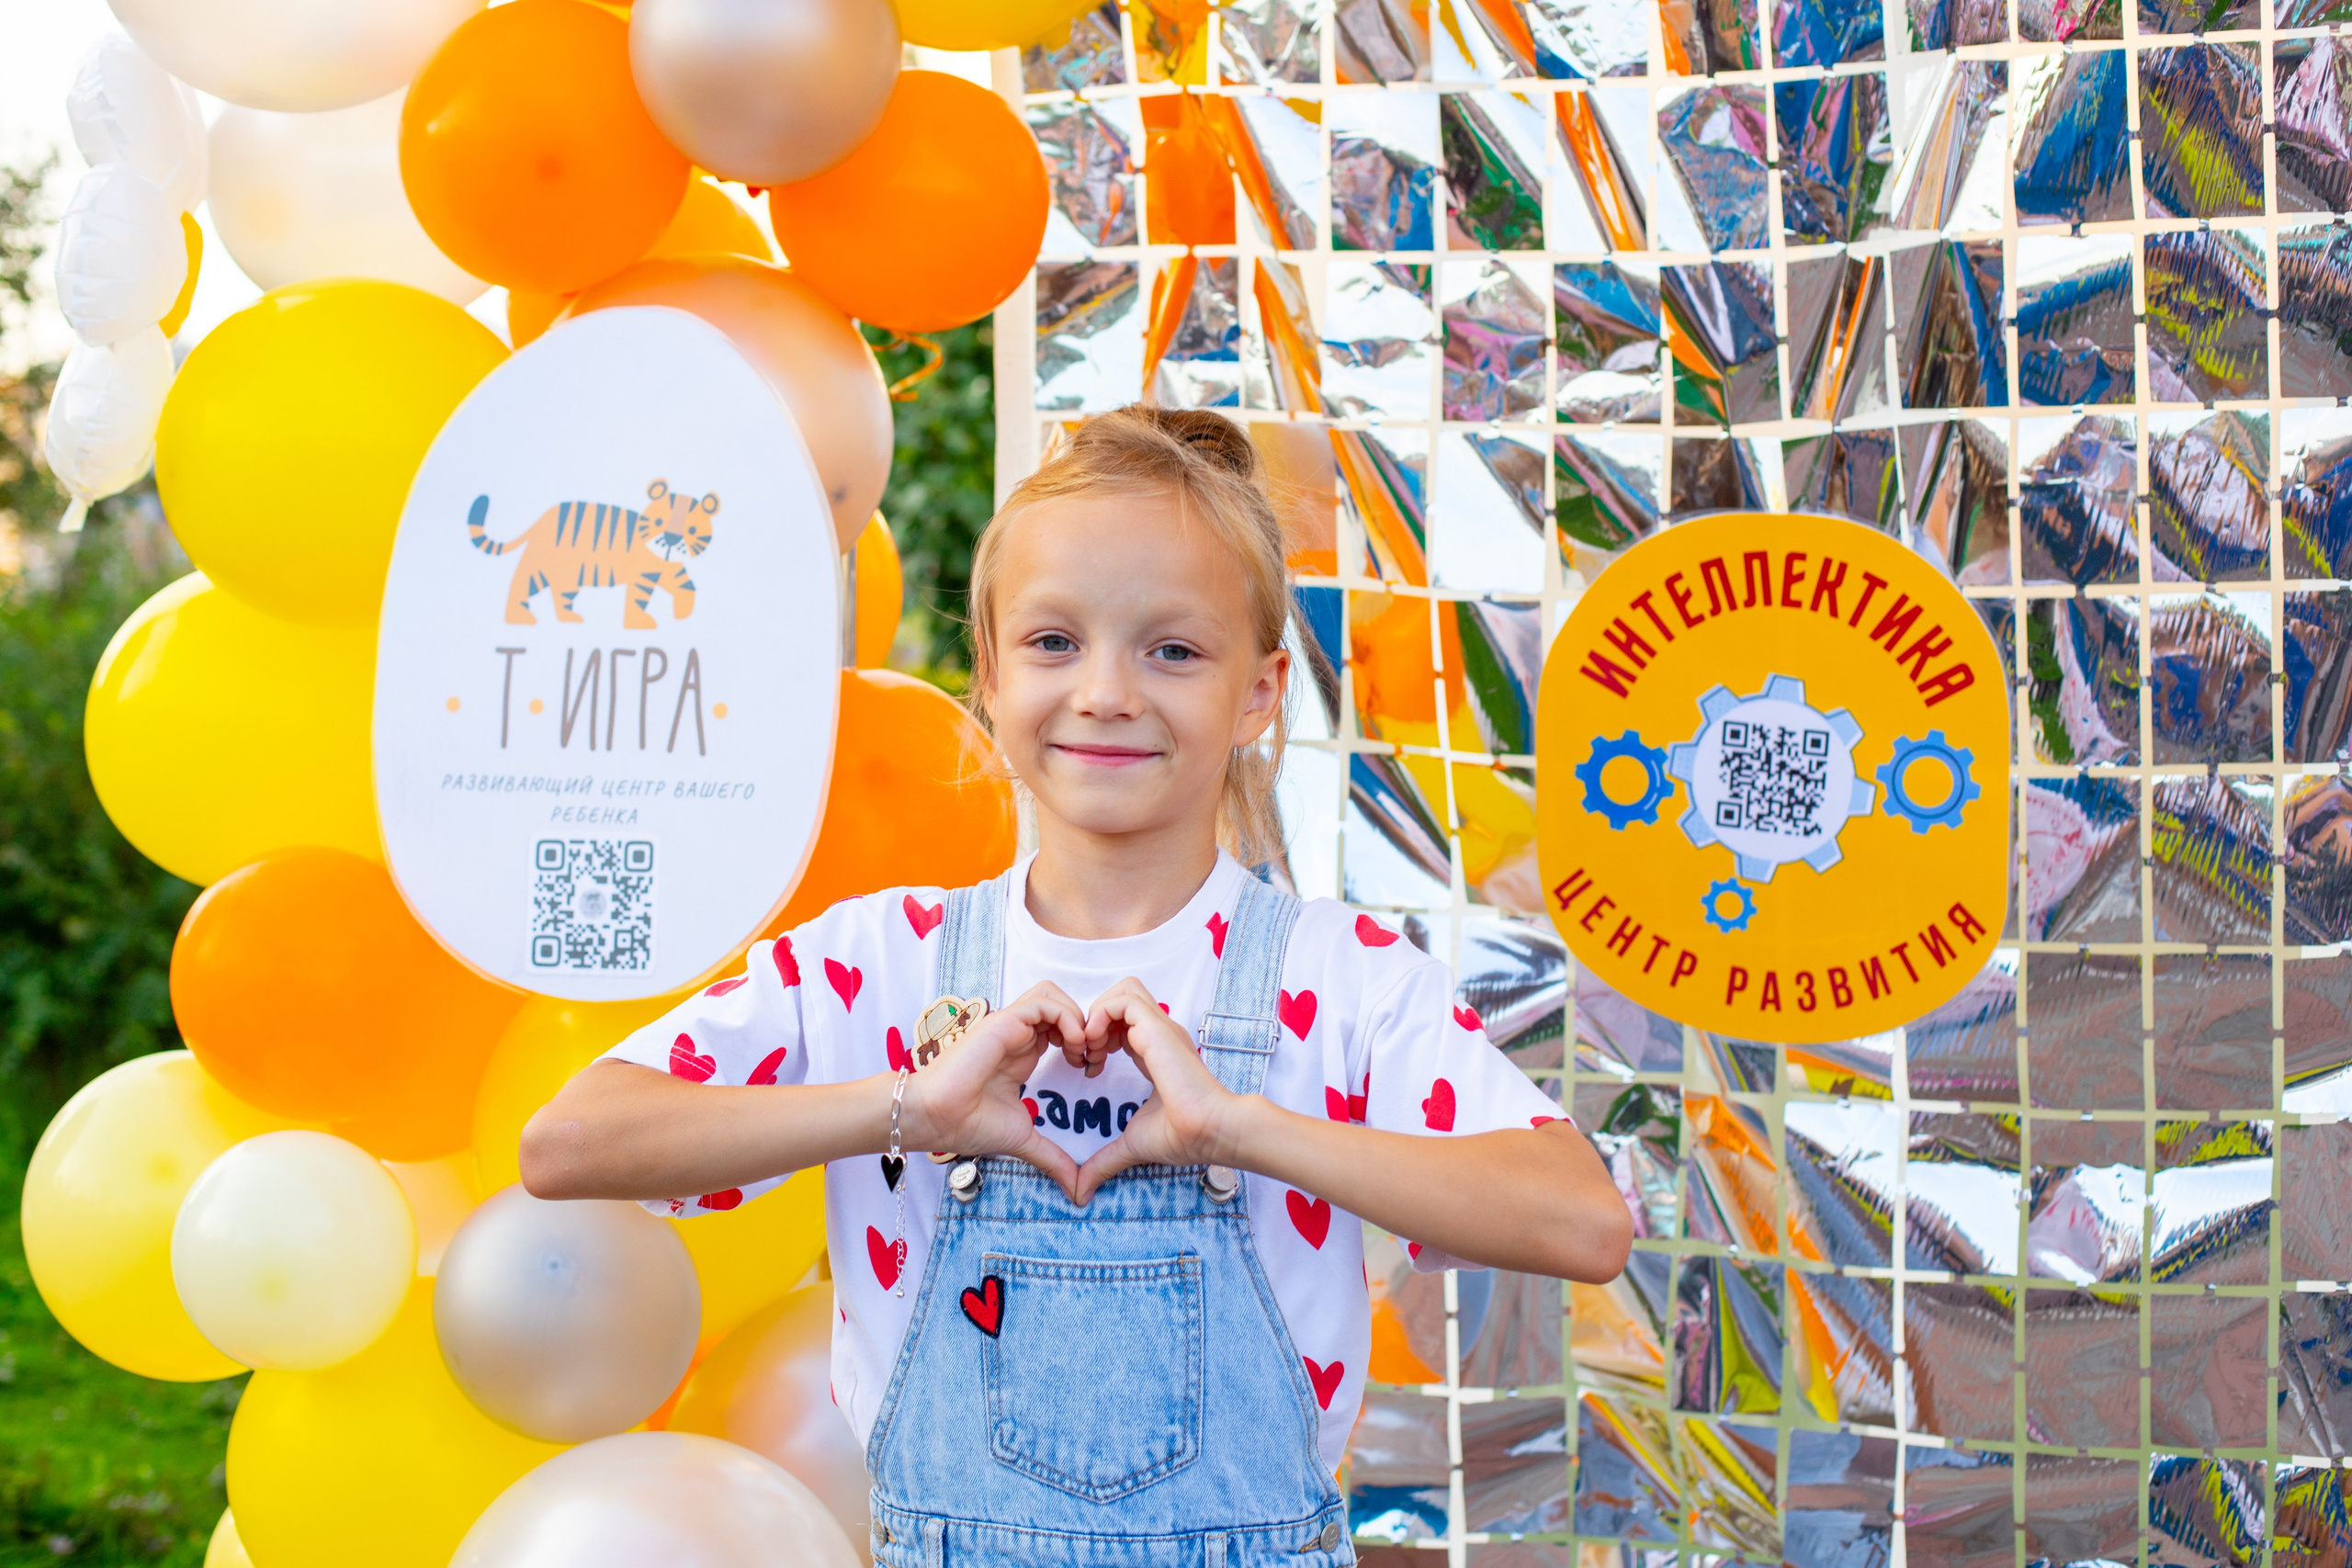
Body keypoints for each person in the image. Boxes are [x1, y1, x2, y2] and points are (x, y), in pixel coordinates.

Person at [521, 405, 1632, 1566]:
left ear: (1256, 695)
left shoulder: (1340, 980)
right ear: (991, 675)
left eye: (1172, 649)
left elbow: (1582, 1221)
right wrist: (907, 1109)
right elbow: (570, 1144)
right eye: (1055, 643)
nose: (1105, 692)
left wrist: (1243, 1130)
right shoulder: (875, 961)